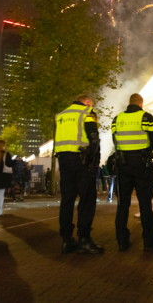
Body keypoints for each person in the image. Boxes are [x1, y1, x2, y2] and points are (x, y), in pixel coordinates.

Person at [111, 93, 153, 252]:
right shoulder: (146, 117)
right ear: (141, 104)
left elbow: (115, 140)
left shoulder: (117, 119)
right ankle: (149, 241)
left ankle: (122, 241)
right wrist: (145, 149)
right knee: (145, 203)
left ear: (129, 103)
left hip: (123, 165)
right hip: (141, 164)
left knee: (123, 204)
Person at [55, 94, 103, 254]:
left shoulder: (60, 115)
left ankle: (66, 240)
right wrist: (95, 163)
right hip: (82, 161)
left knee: (67, 200)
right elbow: (94, 139)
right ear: (87, 102)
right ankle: (84, 238)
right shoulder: (87, 113)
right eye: (91, 104)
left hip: (64, 161)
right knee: (87, 199)